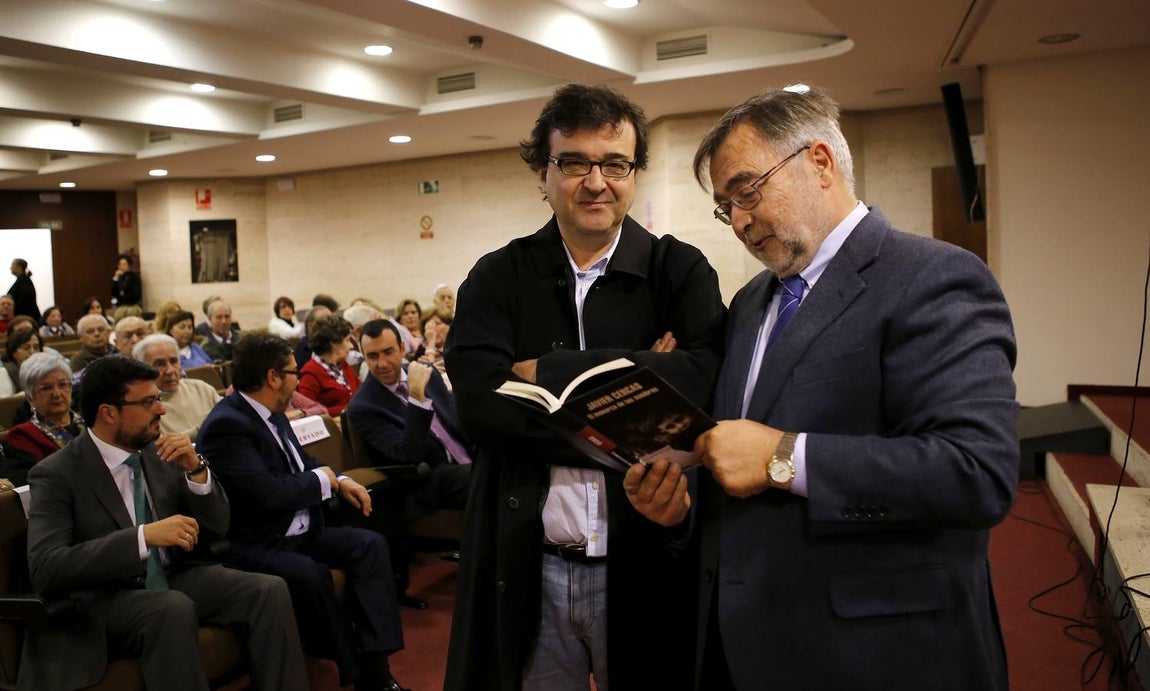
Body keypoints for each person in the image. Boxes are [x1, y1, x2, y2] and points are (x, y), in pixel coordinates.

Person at [630, 86, 1018, 690]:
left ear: (819, 162)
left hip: (877, 655)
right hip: (744, 645)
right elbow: (738, 458)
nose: (738, 221)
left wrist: (785, 457)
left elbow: (976, 472)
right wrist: (679, 506)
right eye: (725, 206)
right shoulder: (753, 302)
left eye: (748, 192)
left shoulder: (935, 278)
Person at [443, 83, 726, 691]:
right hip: (531, 565)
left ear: (634, 172)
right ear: (543, 173)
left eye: (615, 163)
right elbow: (481, 411)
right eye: (574, 162)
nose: (596, 181)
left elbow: (707, 383)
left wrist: (549, 374)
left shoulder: (679, 269)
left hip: (646, 559)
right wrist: (641, 384)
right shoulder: (496, 278)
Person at [22, 355, 309, 691]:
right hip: (105, 598)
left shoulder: (157, 452)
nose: (161, 410)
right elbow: (46, 567)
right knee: (170, 608)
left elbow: (217, 528)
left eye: (158, 399)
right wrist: (142, 538)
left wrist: (197, 472)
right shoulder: (57, 473)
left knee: (267, 589)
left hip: (174, 577)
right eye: (148, 402)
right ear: (108, 413)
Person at [196, 333, 407, 691]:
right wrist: (323, 480)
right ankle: (355, 669)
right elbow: (267, 492)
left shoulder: (270, 412)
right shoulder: (227, 425)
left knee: (369, 544)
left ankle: (377, 663)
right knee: (310, 573)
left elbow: (302, 463)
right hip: (260, 541)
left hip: (300, 530)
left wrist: (338, 479)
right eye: (293, 372)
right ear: (273, 377)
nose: (298, 380)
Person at [347, 319, 471, 522]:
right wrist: (416, 397)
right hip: (428, 479)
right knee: (482, 478)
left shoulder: (426, 373)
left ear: (402, 348)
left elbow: (456, 423)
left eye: (388, 352)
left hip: (465, 463)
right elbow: (408, 454)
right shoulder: (363, 406)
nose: (382, 364)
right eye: (372, 356)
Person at [3, 353, 83, 483]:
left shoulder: (92, 423)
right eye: (46, 388)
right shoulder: (22, 436)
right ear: (30, 397)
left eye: (62, 385)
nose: (57, 394)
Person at [134, 335, 221, 441]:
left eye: (174, 361)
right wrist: (199, 429)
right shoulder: (141, 407)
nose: (170, 371)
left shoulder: (202, 388)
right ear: (142, 369)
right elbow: (158, 448)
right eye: (160, 364)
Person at [297, 315, 360, 417]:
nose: (351, 346)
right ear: (334, 344)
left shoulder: (343, 365)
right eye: (347, 340)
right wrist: (348, 410)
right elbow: (309, 414)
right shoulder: (310, 374)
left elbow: (360, 394)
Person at [1, 329, 42, 395]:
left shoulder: (45, 371)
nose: (32, 352)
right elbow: (4, 402)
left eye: (36, 347)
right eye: (26, 348)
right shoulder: (3, 373)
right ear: (14, 352)